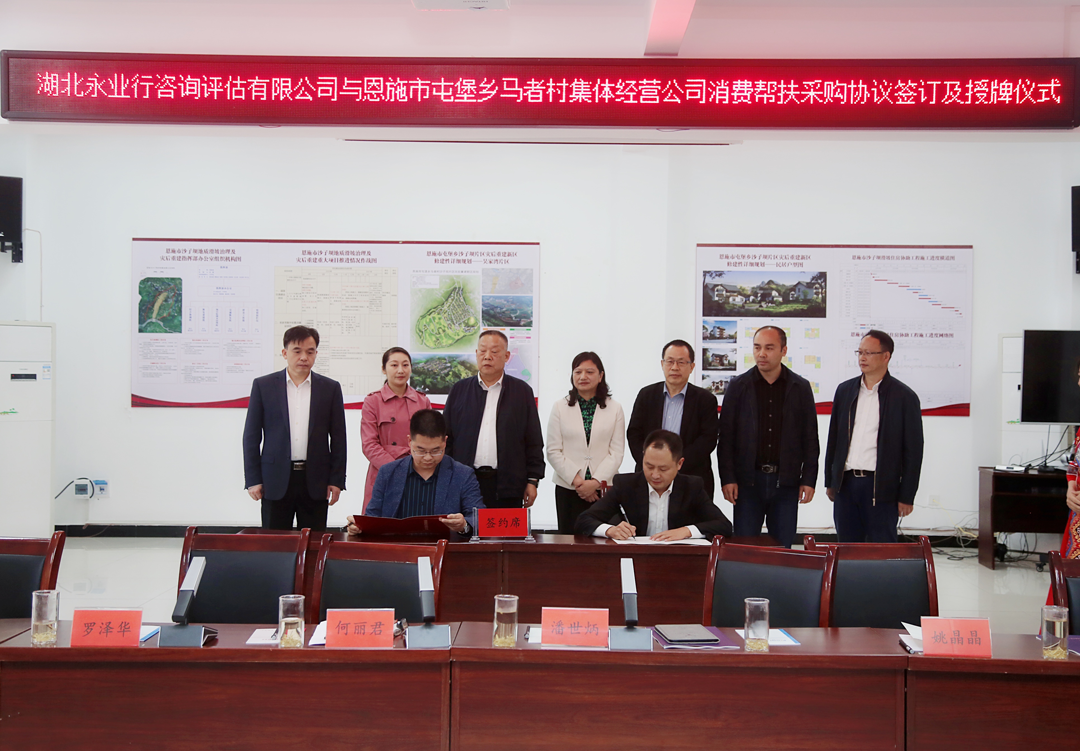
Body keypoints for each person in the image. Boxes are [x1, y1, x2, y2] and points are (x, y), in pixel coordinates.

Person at [717, 326, 819, 547]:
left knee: (783, 548)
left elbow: (810, 437)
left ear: (784, 350)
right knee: (744, 548)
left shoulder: (800, 387)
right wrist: (728, 478)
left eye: (769, 348)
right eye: (757, 347)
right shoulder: (738, 386)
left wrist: (808, 479)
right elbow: (726, 438)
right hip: (747, 482)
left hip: (786, 482)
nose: (761, 353)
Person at [243, 325, 346, 531]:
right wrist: (253, 479)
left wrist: (336, 480)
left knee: (314, 542)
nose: (303, 357)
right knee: (275, 544)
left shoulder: (330, 388)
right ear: (285, 353)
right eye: (297, 351)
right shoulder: (264, 386)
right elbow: (251, 436)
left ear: (316, 354)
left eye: (310, 351)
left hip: (315, 479)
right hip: (275, 479)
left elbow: (339, 438)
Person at [824, 329, 924, 543]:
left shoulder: (904, 397)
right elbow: (834, 439)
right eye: (860, 352)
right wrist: (831, 481)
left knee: (882, 547)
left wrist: (907, 495)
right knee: (847, 546)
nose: (862, 358)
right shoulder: (845, 391)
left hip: (881, 486)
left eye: (869, 353)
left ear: (886, 356)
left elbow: (913, 451)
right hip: (846, 484)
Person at [443, 329, 545, 508]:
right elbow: (447, 438)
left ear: (506, 356)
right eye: (482, 351)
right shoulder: (459, 390)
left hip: (508, 484)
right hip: (465, 482)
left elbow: (533, 439)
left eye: (495, 351)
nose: (487, 356)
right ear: (476, 354)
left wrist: (533, 480)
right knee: (466, 526)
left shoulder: (522, 392)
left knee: (504, 527)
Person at [576, 430, 732, 540]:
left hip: (677, 559)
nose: (655, 475)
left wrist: (686, 531)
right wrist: (610, 530)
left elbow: (723, 525)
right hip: (635, 558)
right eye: (649, 466)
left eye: (663, 469)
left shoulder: (691, 487)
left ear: (679, 464)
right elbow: (584, 520)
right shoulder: (626, 485)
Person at [348, 409, 484, 536]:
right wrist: (358, 527)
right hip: (398, 549)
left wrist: (464, 525)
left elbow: (479, 517)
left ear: (445, 442)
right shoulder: (388, 472)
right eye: (421, 450)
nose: (428, 457)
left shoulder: (462, 474)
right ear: (409, 441)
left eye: (436, 450)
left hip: (444, 549)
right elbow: (372, 516)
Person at [626, 339, 719, 500]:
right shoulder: (646, 395)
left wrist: (675, 465)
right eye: (670, 361)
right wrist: (651, 465)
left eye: (681, 362)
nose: (674, 367)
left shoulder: (705, 399)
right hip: (650, 478)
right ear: (662, 364)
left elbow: (708, 439)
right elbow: (634, 433)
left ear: (692, 366)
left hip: (691, 477)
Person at [546, 352, 626, 534]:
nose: (583, 377)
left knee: (603, 539)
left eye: (589, 372)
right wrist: (579, 483)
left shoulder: (615, 408)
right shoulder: (559, 407)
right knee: (569, 538)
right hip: (568, 487)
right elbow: (553, 451)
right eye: (578, 372)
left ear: (600, 376)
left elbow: (616, 453)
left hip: (603, 489)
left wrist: (595, 482)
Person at [360, 347, 431, 511]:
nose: (400, 370)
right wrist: (396, 470)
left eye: (405, 365)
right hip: (383, 472)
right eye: (394, 365)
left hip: (417, 472)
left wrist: (414, 468)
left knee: (415, 519)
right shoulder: (373, 401)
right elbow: (369, 445)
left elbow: (429, 441)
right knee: (380, 521)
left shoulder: (422, 401)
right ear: (384, 369)